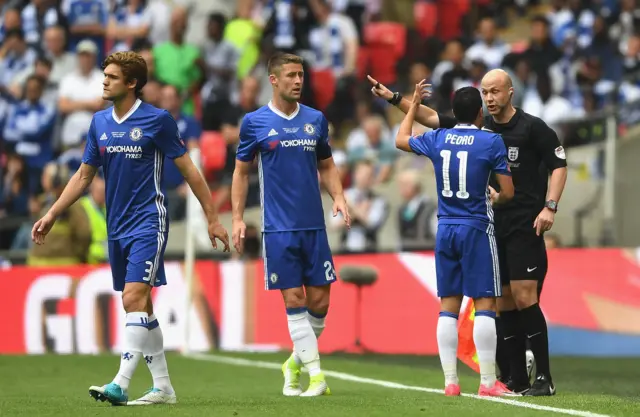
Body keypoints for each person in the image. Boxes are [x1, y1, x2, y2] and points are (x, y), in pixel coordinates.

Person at [31, 51, 230, 406]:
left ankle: (120, 383)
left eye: (111, 76)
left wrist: (213, 217)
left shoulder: (158, 120)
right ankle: (163, 387)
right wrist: (53, 212)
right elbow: (83, 176)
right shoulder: (98, 123)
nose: (104, 80)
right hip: (116, 226)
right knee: (140, 306)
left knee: (133, 298)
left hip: (148, 221)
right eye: (104, 75)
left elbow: (189, 171)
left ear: (132, 83)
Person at [369, 69, 568, 396]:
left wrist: (550, 206)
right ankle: (515, 376)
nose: (490, 98)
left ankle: (544, 377)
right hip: (490, 225)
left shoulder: (533, 128)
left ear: (510, 92)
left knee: (523, 295)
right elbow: (431, 117)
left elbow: (559, 165)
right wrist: (394, 98)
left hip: (524, 223)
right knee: (501, 302)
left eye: (495, 92)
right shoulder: (481, 129)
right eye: (485, 93)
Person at [231, 52, 350, 397]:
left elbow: (326, 165)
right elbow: (241, 172)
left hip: (314, 227)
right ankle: (316, 377)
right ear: (274, 79)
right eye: (291, 76)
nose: (298, 81)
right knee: (294, 298)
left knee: (321, 304)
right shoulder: (254, 122)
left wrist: (338, 197)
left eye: (301, 75)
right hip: (277, 228)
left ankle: (293, 364)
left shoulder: (315, 119)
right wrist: (237, 217)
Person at [396, 83, 516, 396]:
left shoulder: (437, 138)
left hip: (445, 228)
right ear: (479, 112)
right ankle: (488, 383)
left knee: (448, 306)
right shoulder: (491, 141)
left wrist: (412, 106)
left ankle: (450, 383)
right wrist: (495, 196)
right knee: (486, 303)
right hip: (476, 226)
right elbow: (508, 192)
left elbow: (400, 139)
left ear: (454, 113)